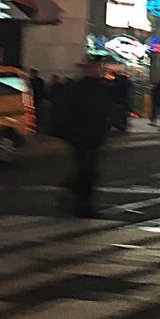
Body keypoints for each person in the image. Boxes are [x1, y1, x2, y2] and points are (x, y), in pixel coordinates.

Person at [63, 59, 112, 218]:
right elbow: (96, 112)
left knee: (86, 170)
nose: (98, 70)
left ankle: (77, 195)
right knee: (88, 171)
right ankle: (82, 204)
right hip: (88, 135)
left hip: (85, 135)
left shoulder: (81, 87)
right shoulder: (92, 88)